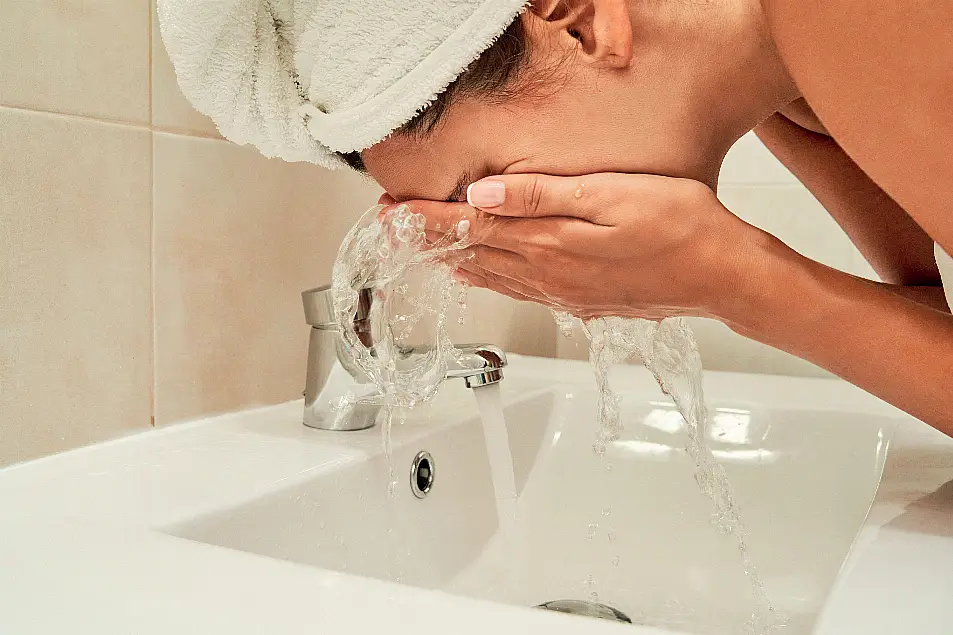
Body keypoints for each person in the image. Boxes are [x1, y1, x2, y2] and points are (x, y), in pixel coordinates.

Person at [160, 0, 953, 434]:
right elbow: (924, 319)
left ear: (579, 19)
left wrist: (733, 278)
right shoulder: (789, 92)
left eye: (490, 192)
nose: (503, 243)